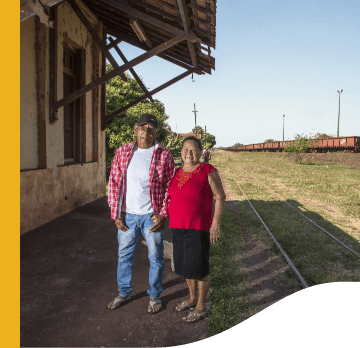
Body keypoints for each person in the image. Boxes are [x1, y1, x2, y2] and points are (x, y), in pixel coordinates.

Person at [107, 114, 175, 314]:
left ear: (156, 133)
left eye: (151, 128)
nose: (146, 131)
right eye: (142, 127)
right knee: (124, 256)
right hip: (128, 215)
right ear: (135, 129)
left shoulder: (164, 154)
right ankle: (124, 292)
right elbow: (113, 183)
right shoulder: (123, 152)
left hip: (151, 216)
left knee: (156, 257)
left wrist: (163, 214)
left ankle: (154, 295)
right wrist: (115, 214)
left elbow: (170, 187)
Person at [167, 136, 226, 323]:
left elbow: (220, 196)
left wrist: (215, 224)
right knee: (185, 266)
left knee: (200, 268)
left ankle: (201, 306)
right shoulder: (176, 172)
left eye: (193, 150)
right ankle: (191, 298)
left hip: (199, 228)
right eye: (185, 149)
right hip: (177, 226)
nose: (189, 153)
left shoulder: (207, 170)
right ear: (181, 152)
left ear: (201, 152)